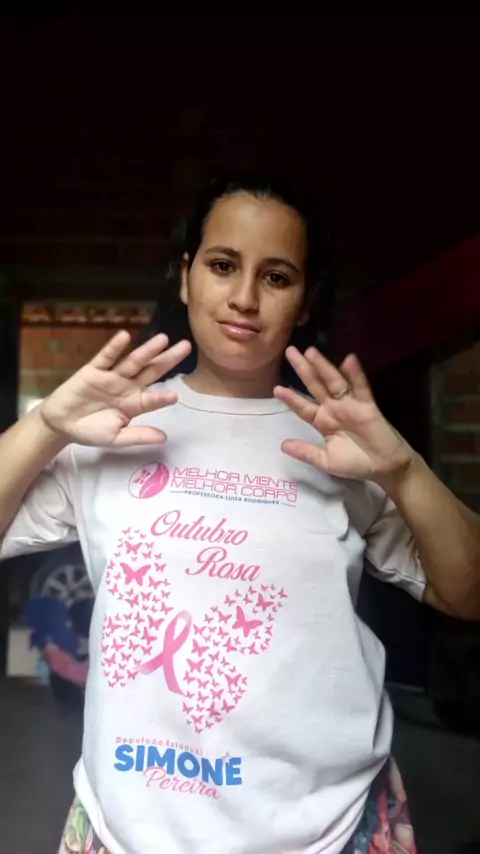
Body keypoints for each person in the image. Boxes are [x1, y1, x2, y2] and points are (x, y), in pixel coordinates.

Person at [1, 173, 479, 854]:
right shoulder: (113, 428)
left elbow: (468, 592)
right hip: (128, 826)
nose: (245, 298)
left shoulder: (346, 443)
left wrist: (402, 469)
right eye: (224, 265)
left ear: (306, 300)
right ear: (187, 276)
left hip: (329, 827)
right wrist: (47, 424)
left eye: (276, 277)